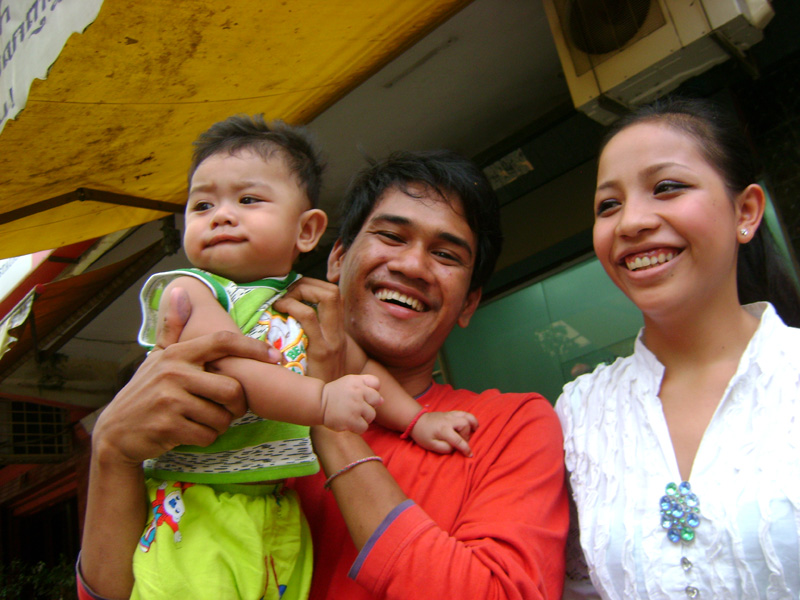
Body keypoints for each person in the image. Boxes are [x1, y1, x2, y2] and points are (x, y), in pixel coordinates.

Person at [78, 148, 569, 600]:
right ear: (336, 258)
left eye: (446, 255)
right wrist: (112, 453)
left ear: (470, 303)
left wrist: (326, 413)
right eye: (392, 236)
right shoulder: (225, 392)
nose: (413, 265)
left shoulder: (505, 425)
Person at [557, 97, 800, 599]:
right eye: (609, 205)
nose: (631, 223)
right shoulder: (580, 413)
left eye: (666, 187)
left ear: (746, 211)